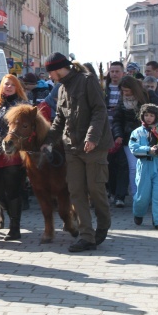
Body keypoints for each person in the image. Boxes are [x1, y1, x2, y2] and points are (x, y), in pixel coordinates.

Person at [41, 52, 113, 252]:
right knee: (76, 191)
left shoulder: (87, 81)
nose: (49, 77)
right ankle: (86, 236)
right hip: (71, 147)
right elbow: (59, 120)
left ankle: (104, 223)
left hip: (94, 147)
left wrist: (92, 137)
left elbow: (100, 110)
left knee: (95, 189)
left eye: (50, 73)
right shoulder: (61, 88)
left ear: (57, 69)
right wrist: (47, 142)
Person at [0, 74, 29, 240]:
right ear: (1, 86)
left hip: (13, 154)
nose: (8, 87)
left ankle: (14, 227)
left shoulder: (23, 105)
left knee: (13, 190)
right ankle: (12, 215)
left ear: (17, 88)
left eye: (12, 85)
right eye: (6, 84)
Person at [112, 75, 158, 200]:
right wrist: (118, 135)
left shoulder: (148, 96)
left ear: (133, 88)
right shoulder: (122, 100)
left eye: (127, 90)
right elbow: (117, 119)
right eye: (123, 90)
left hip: (149, 137)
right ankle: (137, 195)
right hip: (129, 138)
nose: (125, 93)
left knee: (148, 167)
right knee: (133, 167)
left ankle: (150, 194)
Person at [129, 104, 158, 230]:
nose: (149, 118)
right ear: (142, 116)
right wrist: (148, 150)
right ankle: (138, 213)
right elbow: (133, 147)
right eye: (146, 115)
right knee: (142, 195)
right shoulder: (137, 132)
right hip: (144, 166)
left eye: (152, 115)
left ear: (156, 116)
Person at [105, 61, 129, 208]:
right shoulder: (104, 89)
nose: (114, 74)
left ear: (122, 73)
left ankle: (120, 195)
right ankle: (112, 191)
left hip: (121, 131)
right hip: (106, 131)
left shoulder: (126, 89)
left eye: (117, 71)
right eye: (112, 71)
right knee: (109, 164)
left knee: (122, 164)